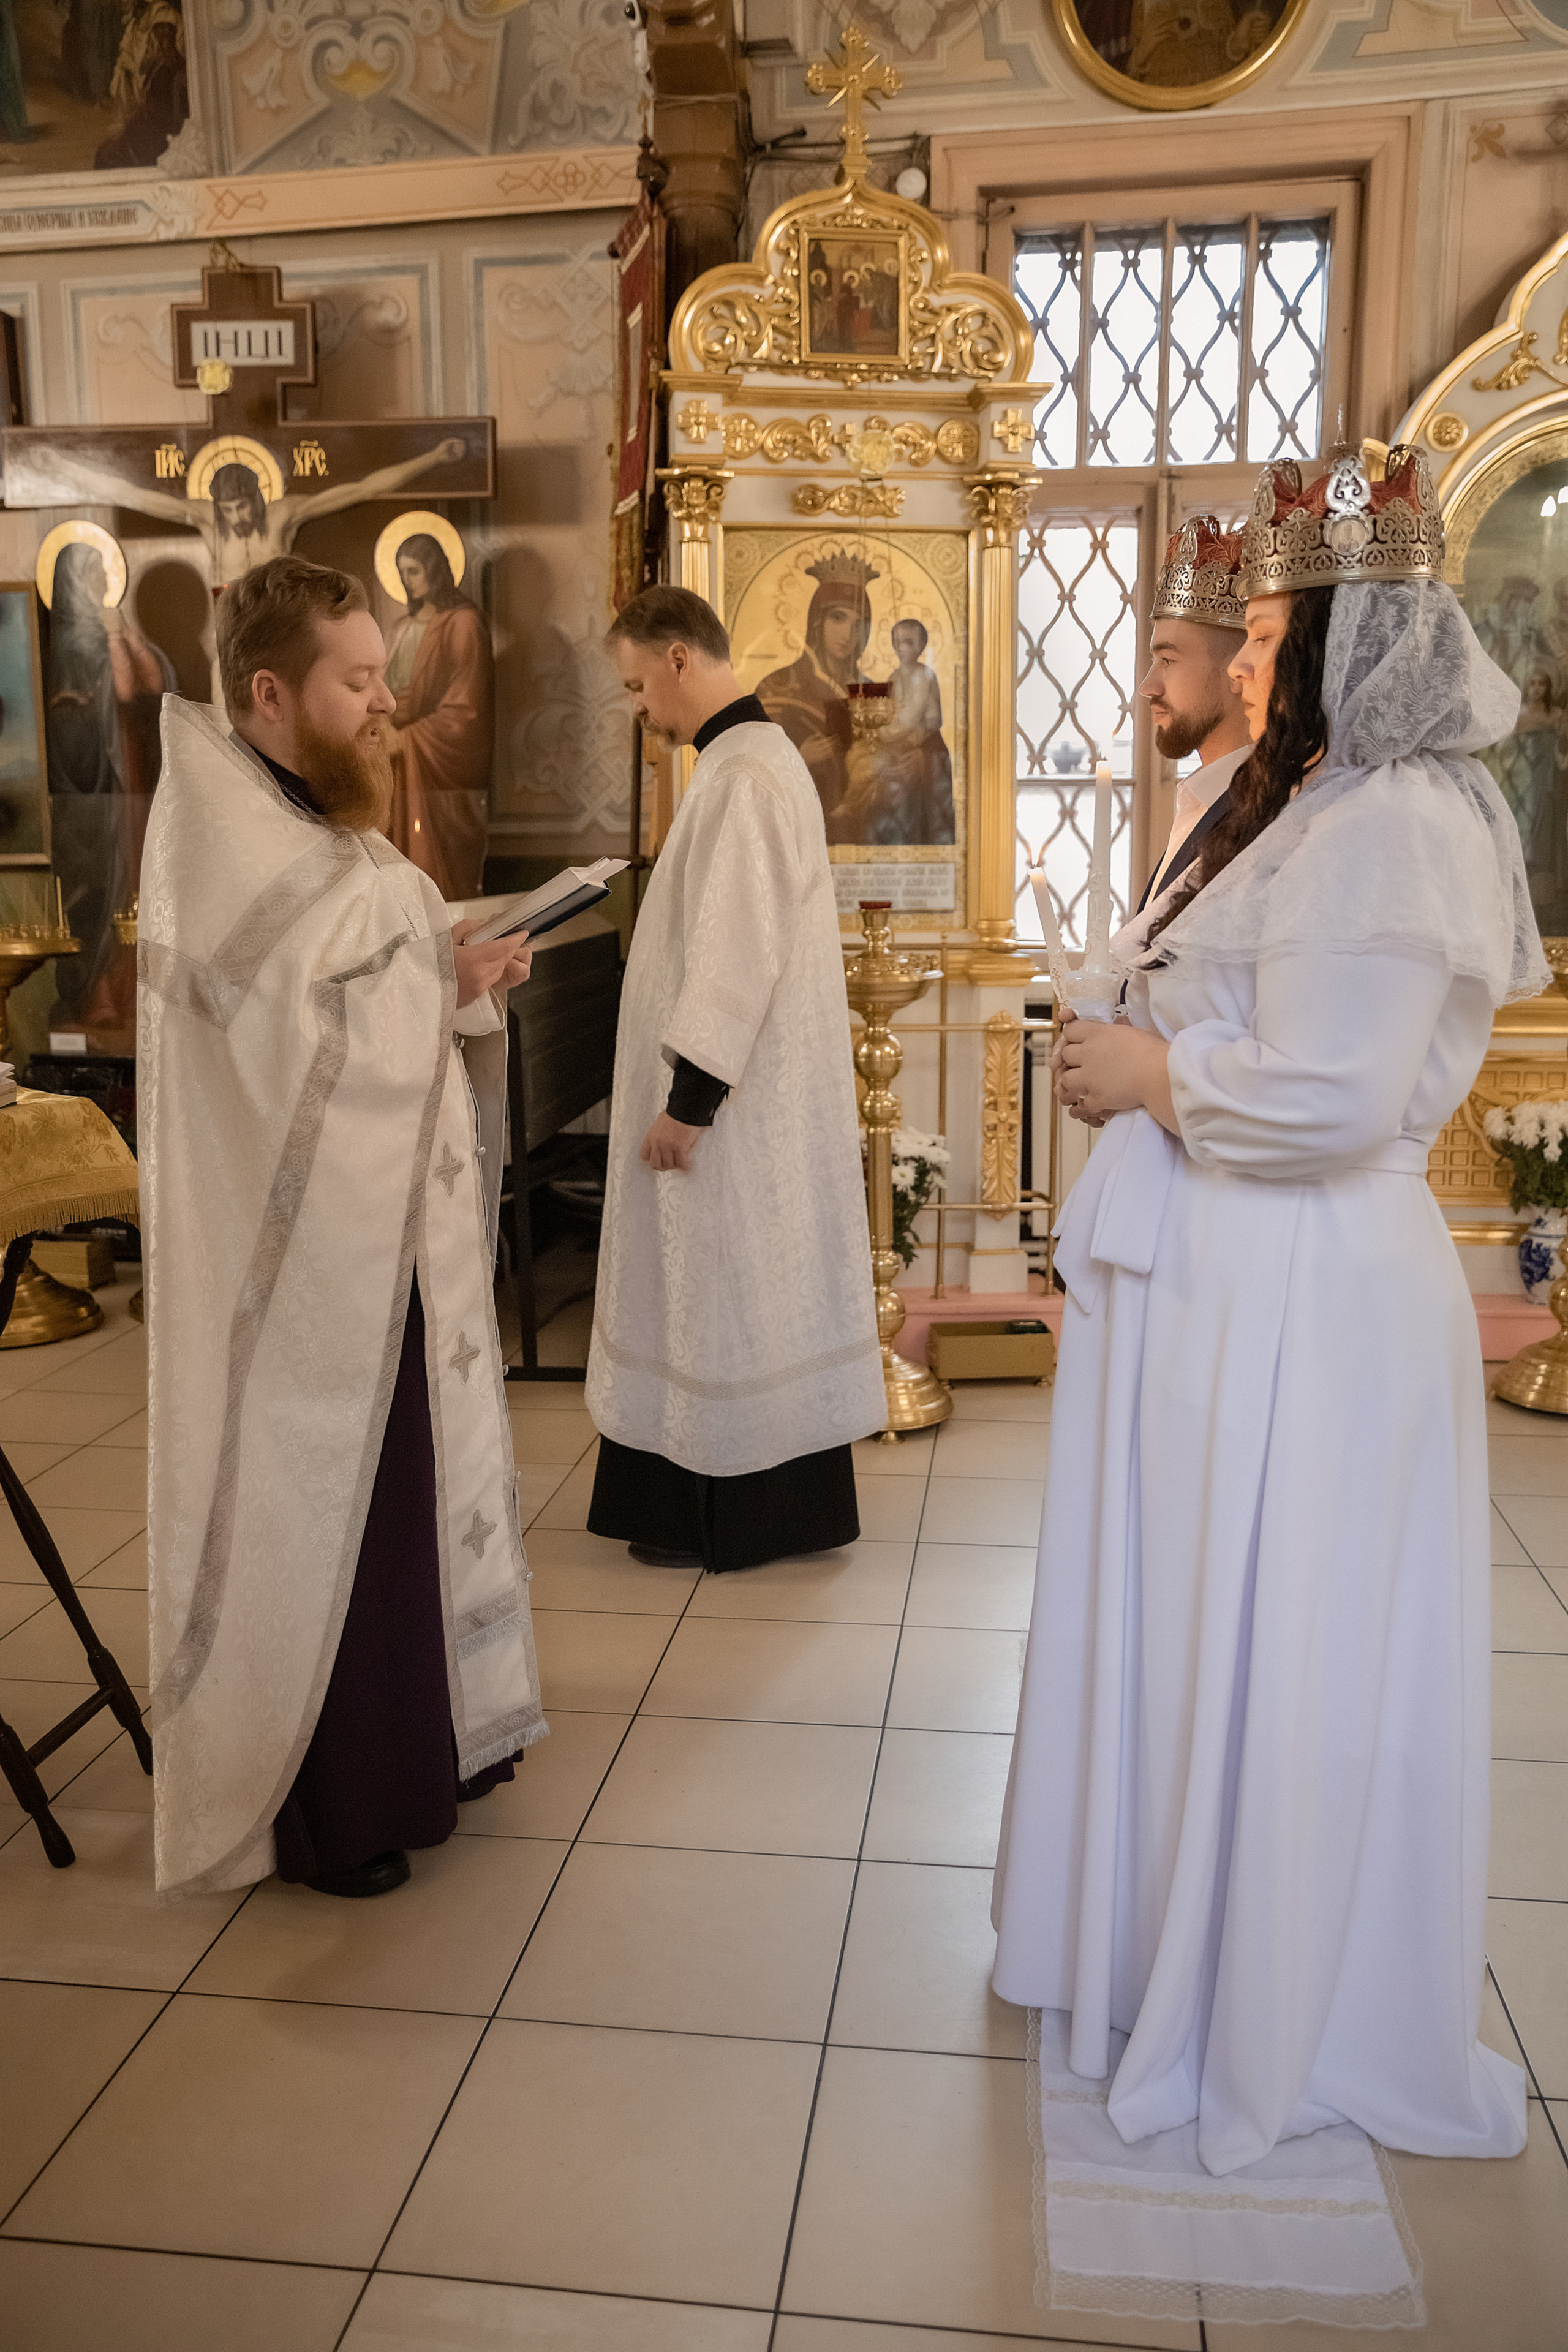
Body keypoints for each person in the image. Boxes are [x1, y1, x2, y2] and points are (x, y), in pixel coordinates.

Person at [992, 447, 1540, 2323]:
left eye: (1295, 614)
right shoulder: (1321, 801)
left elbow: (1326, 1093)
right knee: (1203, 1632)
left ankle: (1278, 1997)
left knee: (1279, 1639)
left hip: (1308, 1292)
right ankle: (1177, 1945)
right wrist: (1133, 1031)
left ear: (1360, 629)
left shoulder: (1395, 819)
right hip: (1234, 1284)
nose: (1265, 643)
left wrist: (1152, 1076)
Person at [141, 555, 541, 1900]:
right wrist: (442, 978)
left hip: (379, 1239)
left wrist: (452, 967)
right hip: (308, 1268)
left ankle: (434, 1744)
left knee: (408, 1497)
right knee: (344, 1517)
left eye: (386, 675)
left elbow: (374, 970)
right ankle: (336, 1806)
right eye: (359, 680)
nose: (387, 704)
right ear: (268, 693)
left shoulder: (319, 816)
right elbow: (280, 1051)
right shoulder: (234, 840)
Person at [586, 584, 884, 1574]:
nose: (637, 708)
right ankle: (711, 1505)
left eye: (637, 684)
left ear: (679, 659)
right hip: (739, 1101)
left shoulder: (746, 776)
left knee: (725, 1293)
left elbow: (735, 949)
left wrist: (690, 1101)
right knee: (727, 1296)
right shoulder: (739, 764)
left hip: (730, 1110)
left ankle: (732, 1516)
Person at [43, 538, 174, 1050]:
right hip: (95, 792)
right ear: (74, 582)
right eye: (94, 573)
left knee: (139, 876)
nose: (103, 582)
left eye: (105, 571)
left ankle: (137, 990)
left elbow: (154, 684)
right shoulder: (71, 648)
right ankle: (102, 992)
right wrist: (115, 638)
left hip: (133, 778)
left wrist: (122, 632)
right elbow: (121, 692)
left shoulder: (105, 632)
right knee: (107, 886)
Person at [1133, 514, 1251, 911]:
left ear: (1239, 669)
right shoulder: (1202, 798)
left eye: (1168, 660)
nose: (1147, 688)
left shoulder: (1260, 816)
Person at [384, 531, 494, 902]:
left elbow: (467, 712)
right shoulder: (399, 629)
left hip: (436, 768)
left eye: (414, 571)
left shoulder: (463, 623)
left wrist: (407, 738)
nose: (407, 581)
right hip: (394, 764)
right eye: (402, 573)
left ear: (435, 570)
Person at [755, 549, 876, 820]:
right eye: (838, 618)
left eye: (859, 624)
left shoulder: (870, 693)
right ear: (817, 622)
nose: (848, 635)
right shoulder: (778, 687)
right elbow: (751, 770)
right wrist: (800, 757)